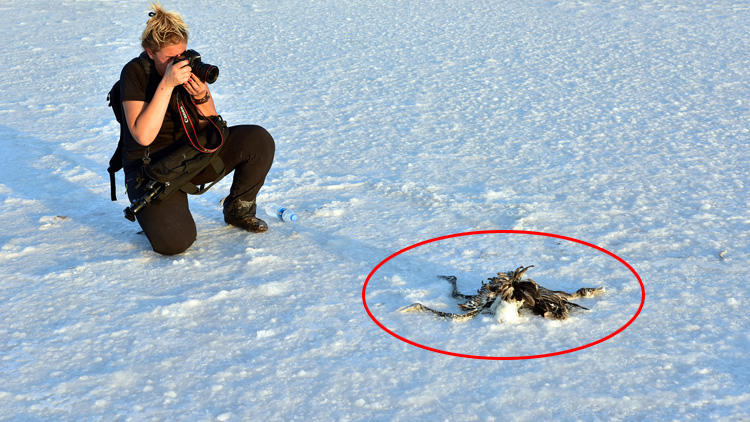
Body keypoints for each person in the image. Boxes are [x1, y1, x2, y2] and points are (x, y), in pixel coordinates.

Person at [119, 3, 275, 255]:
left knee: (257, 140)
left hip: (190, 157)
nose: (177, 63)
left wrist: (202, 96)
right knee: (175, 244)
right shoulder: (135, 73)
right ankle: (155, 216)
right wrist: (167, 85)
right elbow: (142, 135)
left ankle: (239, 210)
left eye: (180, 55)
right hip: (152, 173)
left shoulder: (187, 65)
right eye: (169, 58)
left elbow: (213, 128)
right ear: (150, 52)